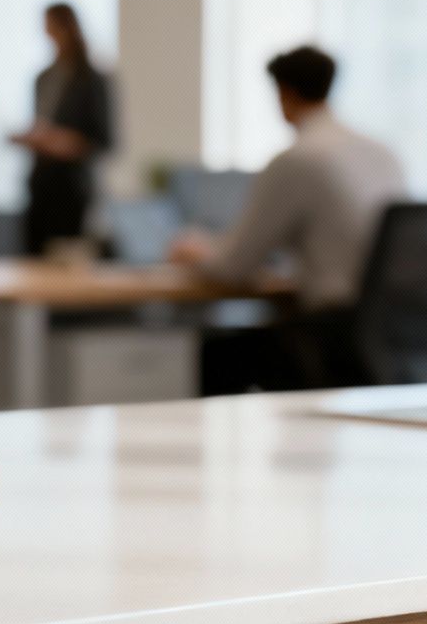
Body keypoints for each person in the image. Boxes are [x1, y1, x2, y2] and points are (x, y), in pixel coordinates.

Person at [169, 45, 407, 391]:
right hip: (395, 329)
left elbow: (233, 266)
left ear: (284, 93)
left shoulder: (299, 160)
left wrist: (195, 251)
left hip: (335, 334)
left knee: (218, 354)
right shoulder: (382, 153)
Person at [12, 2, 114, 257]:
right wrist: (36, 139)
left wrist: (67, 142)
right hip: (41, 187)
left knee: (68, 261)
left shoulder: (92, 80)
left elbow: (105, 140)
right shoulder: (43, 78)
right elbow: (41, 125)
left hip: (73, 191)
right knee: (34, 260)